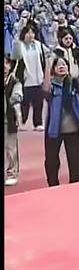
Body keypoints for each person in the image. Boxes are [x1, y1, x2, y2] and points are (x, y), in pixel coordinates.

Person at [42, 56, 79, 186]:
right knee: (51, 160)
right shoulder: (52, 86)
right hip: (54, 129)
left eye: (64, 64)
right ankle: (53, 184)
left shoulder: (73, 83)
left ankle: (76, 185)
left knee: (75, 159)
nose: (62, 66)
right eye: (58, 65)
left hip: (72, 128)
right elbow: (45, 89)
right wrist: (48, 66)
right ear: (54, 69)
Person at [12, 23, 47, 131]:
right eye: (28, 33)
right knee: (25, 102)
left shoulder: (38, 45)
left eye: (32, 33)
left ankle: (38, 123)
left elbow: (47, 55)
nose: (30, 35)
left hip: (38, 78)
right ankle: (21, 121)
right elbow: (15, 57)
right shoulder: (19, 45)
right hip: (25, 79)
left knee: (38, 102)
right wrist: (17, 40)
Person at [5, 55, 22, 186]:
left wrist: (15, 100)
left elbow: (17, 96)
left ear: (10, 66)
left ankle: (12, 172)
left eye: (6, 63)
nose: (4, 66)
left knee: (11, 148)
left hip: (8, 118)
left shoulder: (14, 81)